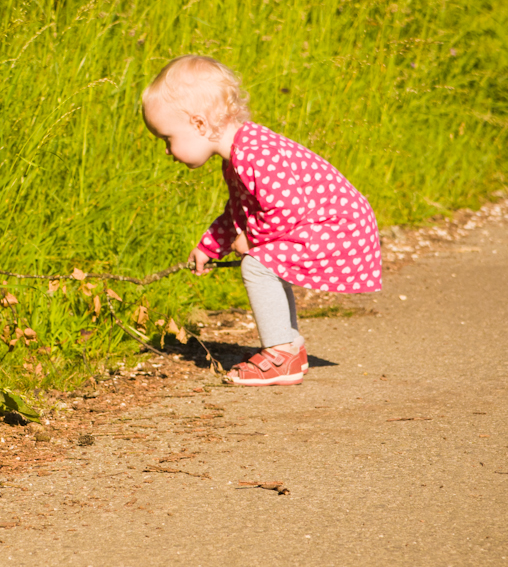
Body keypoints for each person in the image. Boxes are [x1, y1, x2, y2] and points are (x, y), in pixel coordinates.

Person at [141, 55, 382, 385]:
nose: (167, 151)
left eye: (167, 139)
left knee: (257, 264)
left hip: (338, 226)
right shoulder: (240, 154)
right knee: (266, 262)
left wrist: (251, 238)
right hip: (330, 224)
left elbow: (286, 208)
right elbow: (237, 212)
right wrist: (209, 247)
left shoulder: (254, 153)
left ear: (199, 125)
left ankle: (280, 355)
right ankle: (289, 348)